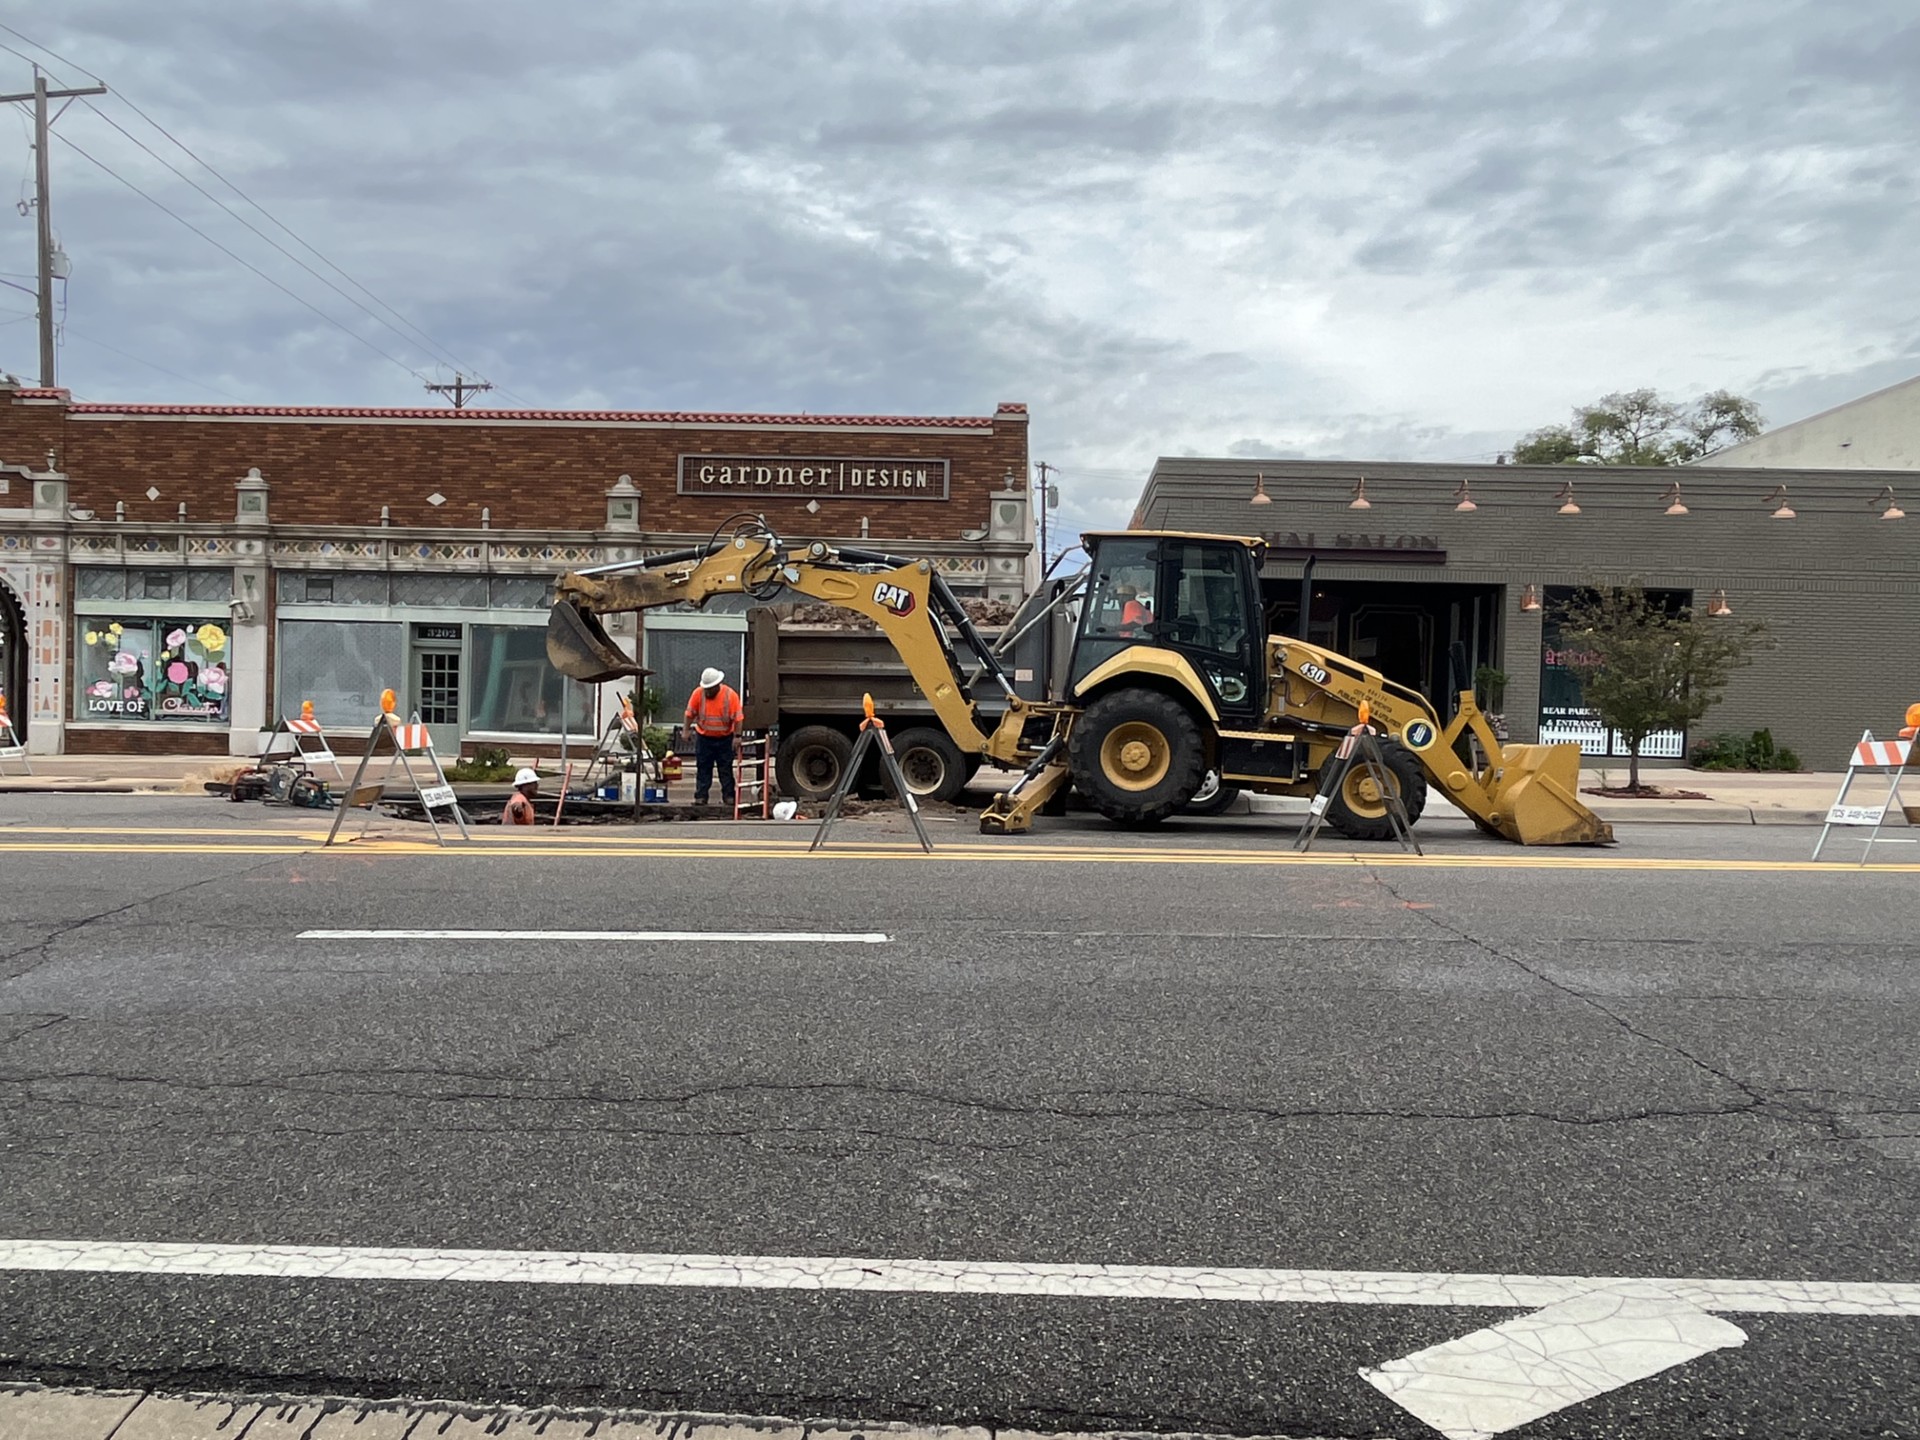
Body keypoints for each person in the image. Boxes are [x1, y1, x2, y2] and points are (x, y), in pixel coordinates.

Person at [685, 666, 744, 806]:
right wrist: (686, 730)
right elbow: (689, 714)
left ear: (718, 685)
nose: (708, 691)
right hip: (704, 738)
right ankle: (701, 796)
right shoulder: (698, 694)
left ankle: (729, 797)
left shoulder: (730, 696)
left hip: (725, 738)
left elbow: (738, 718)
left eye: (710, 688)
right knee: (703, 768)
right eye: (706, 688)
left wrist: (737, 736)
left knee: (725, 768)